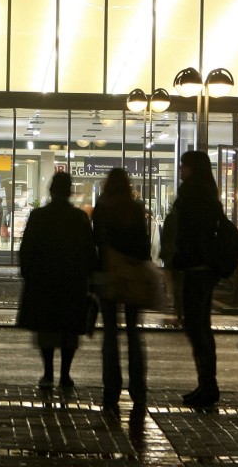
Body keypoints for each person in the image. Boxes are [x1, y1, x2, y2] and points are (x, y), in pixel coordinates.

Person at [17, 171, 96, 389]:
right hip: (72, 281)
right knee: (69, 330)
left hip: (44, 280)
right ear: (69, 192)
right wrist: (89, 277)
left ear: (51, 191)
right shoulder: (79, 218)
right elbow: (89, 252)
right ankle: (65, 374)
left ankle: (48, 373)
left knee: (46, 329)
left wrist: (28, 273)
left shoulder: (39, 216)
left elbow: (27, 249)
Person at [162, 150, 225, 407]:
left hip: (194, 267)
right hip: (205, 268)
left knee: (196, 327)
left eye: (183, 166)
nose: (181, 171)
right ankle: (206, 383)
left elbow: (185, 232)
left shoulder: (192, 195)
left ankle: (208, 385)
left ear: (193, 169)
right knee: (201, 326)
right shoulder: (209, 195)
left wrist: (178, 258)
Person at [92, 167, 151, 412]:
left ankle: (111, 390)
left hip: (108, 275)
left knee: (110, 334)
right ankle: (138, 390)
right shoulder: (135, 208)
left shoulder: (102, 208)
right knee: (134, 333)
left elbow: (95, 242)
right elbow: (144, 246)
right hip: (133, 276)